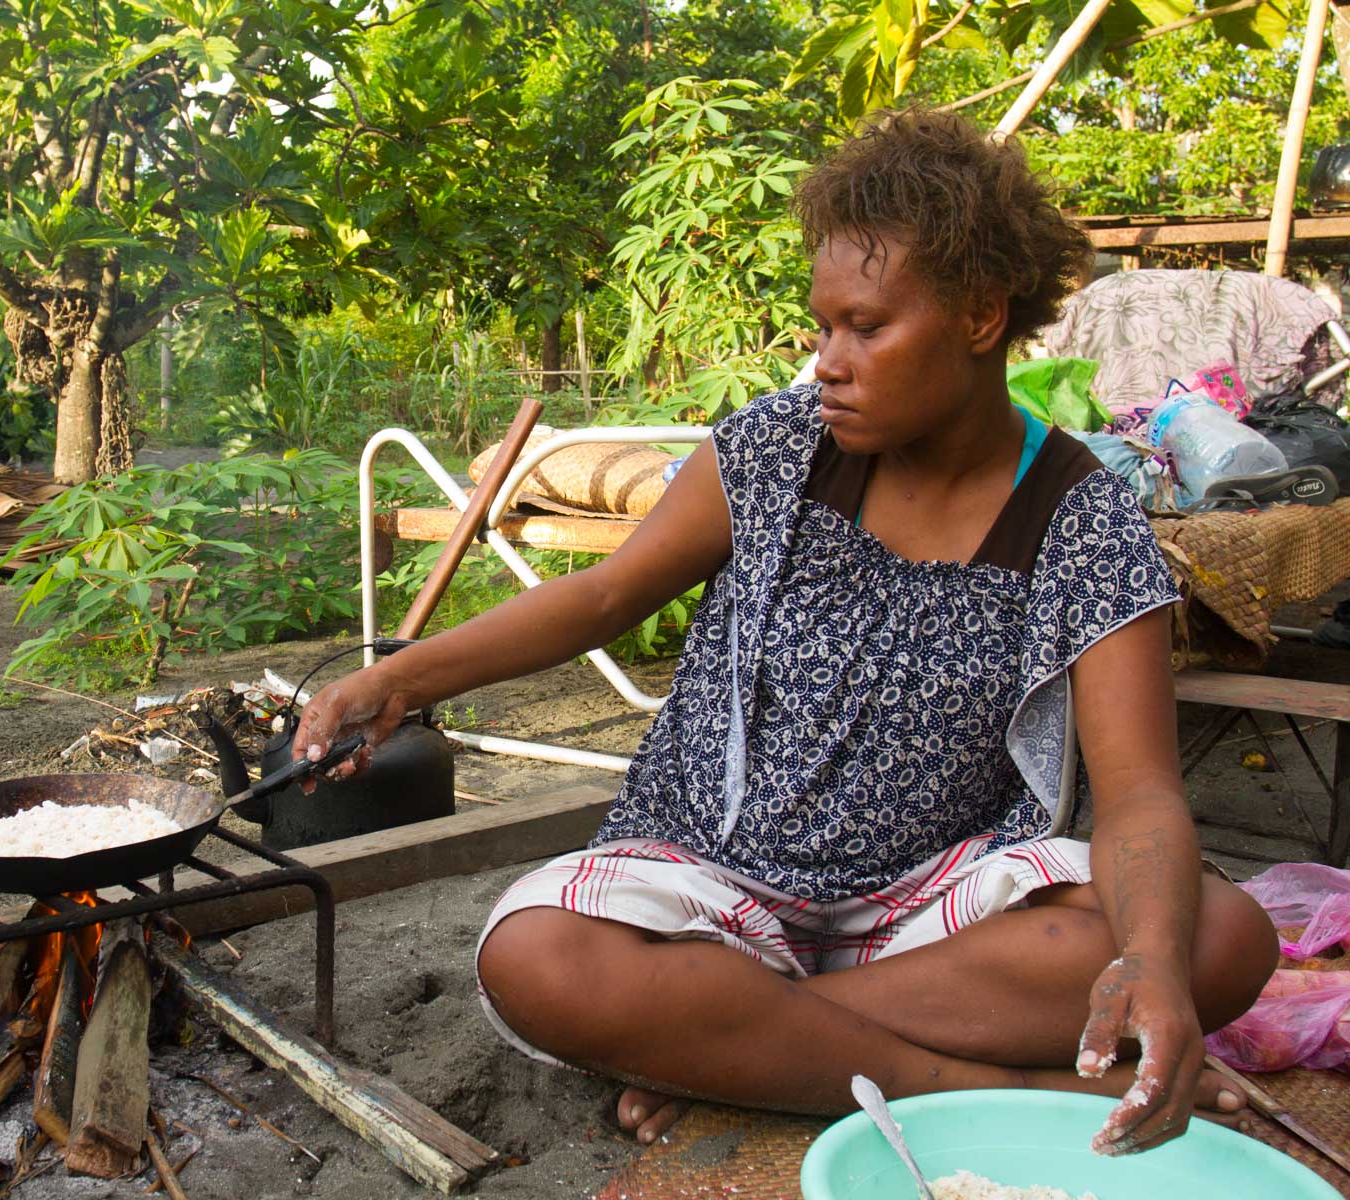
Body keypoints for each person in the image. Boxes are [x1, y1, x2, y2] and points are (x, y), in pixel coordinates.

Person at [294, 108, 1278, 1155]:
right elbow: (602, 599)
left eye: (866, 327)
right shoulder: (779, 448)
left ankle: (747, 1046)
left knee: (1218, 940)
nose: (828, 362)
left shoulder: (1079, 515)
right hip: (706, 879)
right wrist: (400, 680)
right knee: (541, 960)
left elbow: (1138, 795)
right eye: (822, 327)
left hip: (931, 906)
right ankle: (966, 1080)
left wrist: (1155, 966)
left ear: (982, 316)